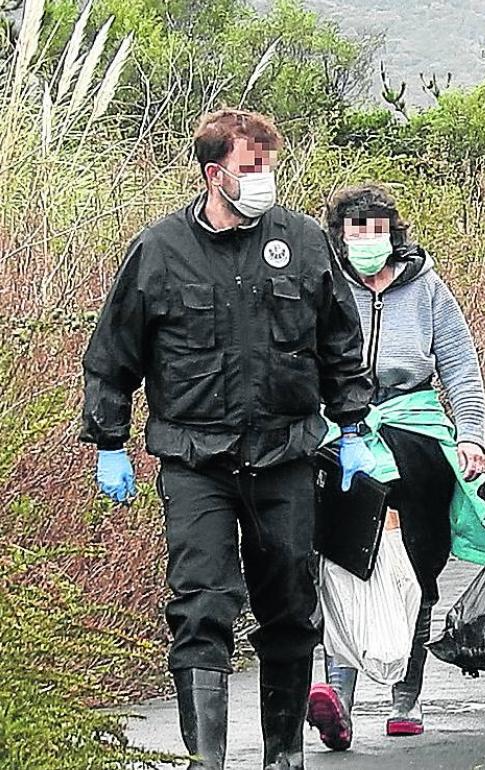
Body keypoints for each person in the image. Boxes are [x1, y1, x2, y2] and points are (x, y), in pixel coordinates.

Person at [81, 109, 375, 770]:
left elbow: (339, 344)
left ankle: (282, 754)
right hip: (195, 461)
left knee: (290, 609)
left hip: (285, 457)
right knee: (200, 607)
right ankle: (205, 759)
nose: (264, 178)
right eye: (251, 167)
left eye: (268, 164)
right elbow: (113, 354)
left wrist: (354, 427)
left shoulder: (301, 241)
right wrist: (108, 440)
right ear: (216, 174)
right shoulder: (159, 250)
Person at [304, 184, 485, 750]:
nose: (367, 240)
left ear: (395, 232)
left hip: (416, 427)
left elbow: (460, 367)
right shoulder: (324, 286)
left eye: (377, 228)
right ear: (338, 235)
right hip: (342, 431)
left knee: (419, 562)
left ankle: (406, 696)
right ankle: (337, 699)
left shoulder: (426, 288)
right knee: (344, 559)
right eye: (355, 229)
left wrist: (471, 437)